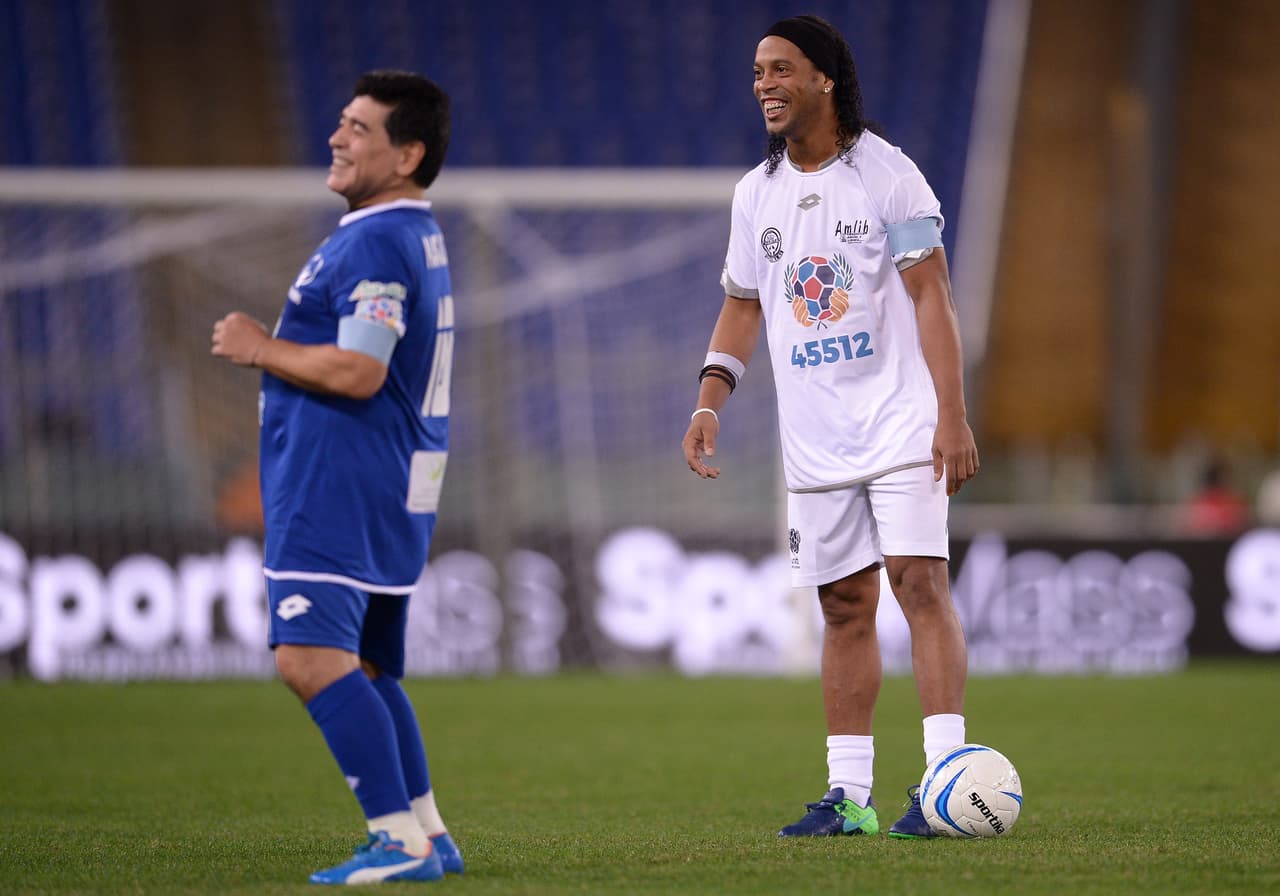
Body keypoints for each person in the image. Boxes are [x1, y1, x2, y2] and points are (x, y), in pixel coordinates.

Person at [681, 15, 978, 840]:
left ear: (825, 80)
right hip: (814, 440)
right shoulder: (755, 195)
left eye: (781, 69)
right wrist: (711, 398)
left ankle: (945, 781)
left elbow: (934, 299)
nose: (764, 84)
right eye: (755, 72)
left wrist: (952, 415)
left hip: (901, 422)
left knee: (919, 584)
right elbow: (743, 302)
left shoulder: (889, 176)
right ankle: (849, 797)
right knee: (845, 605)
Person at [211, 70, 464, 884]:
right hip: (387, 477)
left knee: (310, 660)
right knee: (365, 666)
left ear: (407, 153)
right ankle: (429, 831)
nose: (337, 136)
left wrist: (259, 346)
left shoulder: (374, 240)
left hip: (341, 480)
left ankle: (400, 842)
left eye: (359, 128)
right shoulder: (410, 232)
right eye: (341, 121)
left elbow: (358, 369)